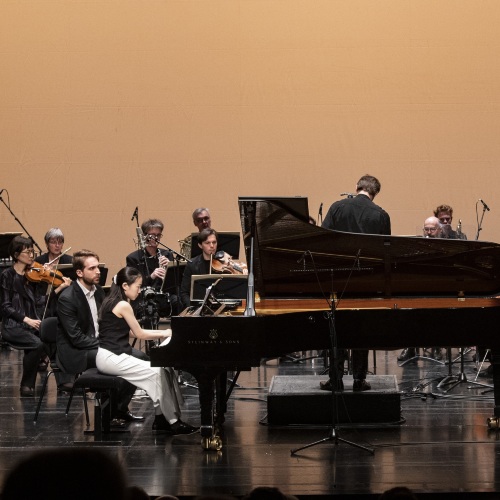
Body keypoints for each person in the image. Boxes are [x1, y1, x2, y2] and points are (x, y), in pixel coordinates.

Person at [96, 266, 198, 435]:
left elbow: (127, 332)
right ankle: (172, 422)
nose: (140, 290)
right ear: (125, 286)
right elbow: (139, 333)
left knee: (160, 369)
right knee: (157, 372)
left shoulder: (112, 301)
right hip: (111, 357)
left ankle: (160, 419)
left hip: (109, 355)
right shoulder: (123, 305)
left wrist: (164, 333)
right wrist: (166, 332)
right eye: (137, 286)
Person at [320, 174, 391, 392]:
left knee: (337, 328)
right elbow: (385, 252)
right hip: (367, 281)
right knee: (362, 329)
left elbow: (322, 239)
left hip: (338, 279)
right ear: (374, 193)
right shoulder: (381, 215)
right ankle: (359, 379)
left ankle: (336, 379)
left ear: (357, 187)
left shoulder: (337, 207)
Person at [57, 249, 144, 420]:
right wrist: (106, 344)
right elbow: (76, 337)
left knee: (141, 357)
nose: (98, 272)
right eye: (92, 268)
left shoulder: (97, 291)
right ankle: (111, 412)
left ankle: (117, 408)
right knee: (123, 358)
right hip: (76, 352)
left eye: (98, 267)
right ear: (79, 272)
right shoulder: (67, 298)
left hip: (99, 344)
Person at [0, 236, 71, 397]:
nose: (32, 255)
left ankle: (64, 382)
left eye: (33, 251)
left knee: (55, 339)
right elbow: (5, 306)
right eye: (28, 252)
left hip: (31, 324)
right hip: (13, 326)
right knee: (37, 344)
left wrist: (61, 287)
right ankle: (26, 384)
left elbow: (40, 301)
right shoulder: (7, 275)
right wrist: (26, 319)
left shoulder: (32, 276)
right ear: (16, 254)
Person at [126, 218, 179, 316]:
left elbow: (175, 283)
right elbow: (132, 285)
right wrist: (152, 276)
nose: (156, 238)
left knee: (178, 301)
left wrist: (169, 269)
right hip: (144, 296)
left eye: (158, 235)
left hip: (163, 294)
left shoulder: (167, 254)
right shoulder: (133, 258)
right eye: (152, 235)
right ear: (144, 236)